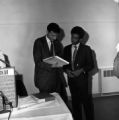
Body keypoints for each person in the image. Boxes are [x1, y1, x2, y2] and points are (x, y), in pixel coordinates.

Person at [63, 26, 94, 120]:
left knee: (86, 104)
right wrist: (66, 70)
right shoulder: (66, 49)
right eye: (72, 37)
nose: (73, 39)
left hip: (83, 82)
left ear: (80, 39)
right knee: (75, 104)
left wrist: (80, 71)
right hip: (72, 81)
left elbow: (91, 65)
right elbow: (64, 64)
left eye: (75, 38)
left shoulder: (86, 49)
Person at [33, 23, 68, 105]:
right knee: (46, 104)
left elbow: (61, 58)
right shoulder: (39, 42)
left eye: (56, 36)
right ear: (47, 32)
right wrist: (51, 65)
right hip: (44, 80)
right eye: (52, 35)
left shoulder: (58, 43)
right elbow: (38, 62)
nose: (54, 38)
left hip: (57, 80)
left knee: (59, 103)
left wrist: (62, 62)